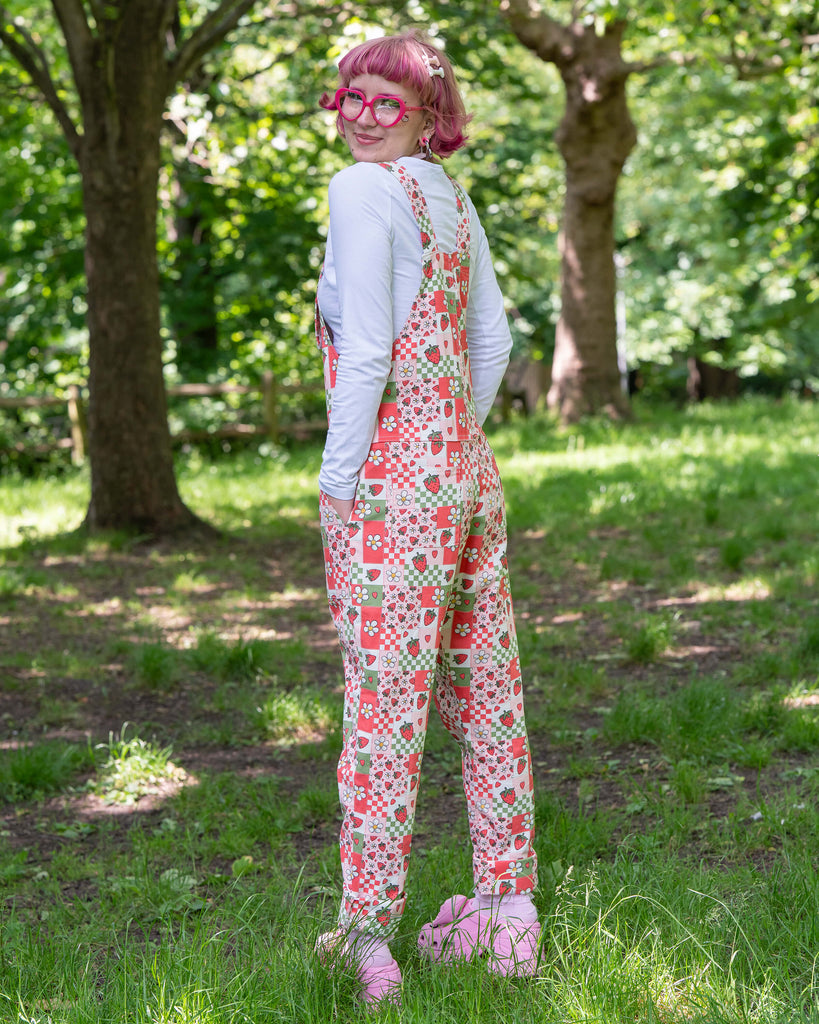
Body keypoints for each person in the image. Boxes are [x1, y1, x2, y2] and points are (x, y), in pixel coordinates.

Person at [314, 31, 539, 1006]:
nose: (364, 115)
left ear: (425, 114)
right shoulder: (451, 200)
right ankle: (505, 910)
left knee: (384, 707)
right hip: (468, 477)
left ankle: (367, 935)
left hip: (394, 491)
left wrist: (338, 481)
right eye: (352, 97)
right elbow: (490, 339)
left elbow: (365, 351)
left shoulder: (361, 194)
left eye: (386, 102)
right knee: (487, 690)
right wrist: (454, 439)